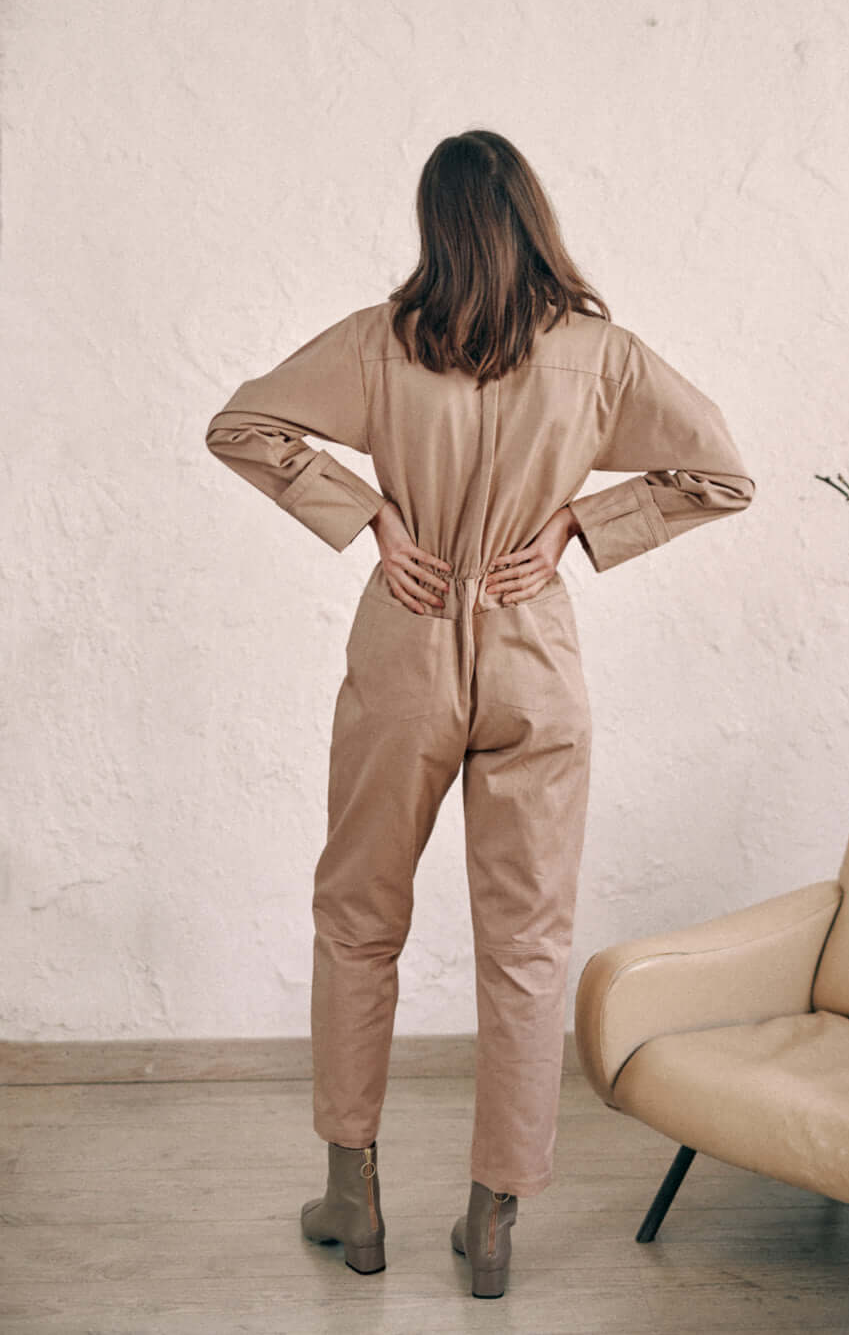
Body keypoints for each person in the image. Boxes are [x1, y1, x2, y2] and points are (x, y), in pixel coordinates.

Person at [204, 128, 756, 1298]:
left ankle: (353, 1198)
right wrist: (577, 528)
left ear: (434, 225)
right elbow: (721, 473)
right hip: (531, 659)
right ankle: (493, 1214)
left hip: (405, 650)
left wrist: (374, 521)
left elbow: (240, 424)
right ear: (532, 220)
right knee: (527, 944)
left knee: (358, 917)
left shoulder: (376, 343)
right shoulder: (599, 355)